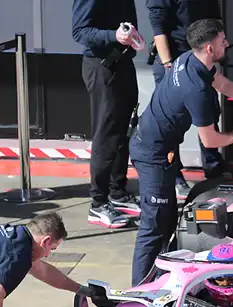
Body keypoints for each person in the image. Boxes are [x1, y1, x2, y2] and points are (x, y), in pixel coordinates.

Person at [129, 18, 233, 286]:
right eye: (222, 40)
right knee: (154, 225)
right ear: (209, 47)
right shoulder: (195, 88)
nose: (227, 43)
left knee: (169, 219)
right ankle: (139, 291)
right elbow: (209, 140)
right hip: (151, 154)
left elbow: (225, 86)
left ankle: (161, 280)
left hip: (162, 150)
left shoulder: (191, 60)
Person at [147, 0, 233, 195]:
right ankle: (174, 176)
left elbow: (215, 21)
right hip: (173, 57)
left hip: (200, 57)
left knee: (208, 112)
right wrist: (168, 64)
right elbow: (158, 27)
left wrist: (217, 50)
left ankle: (213, 166)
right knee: (172, 121)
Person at [72, 0, 140, 228]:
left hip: (123, 62)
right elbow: (79, 31)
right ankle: (98, 203)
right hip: (102, 65)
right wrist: (114, 36)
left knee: (124, 130)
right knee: (107, 133)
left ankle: (117, 192)